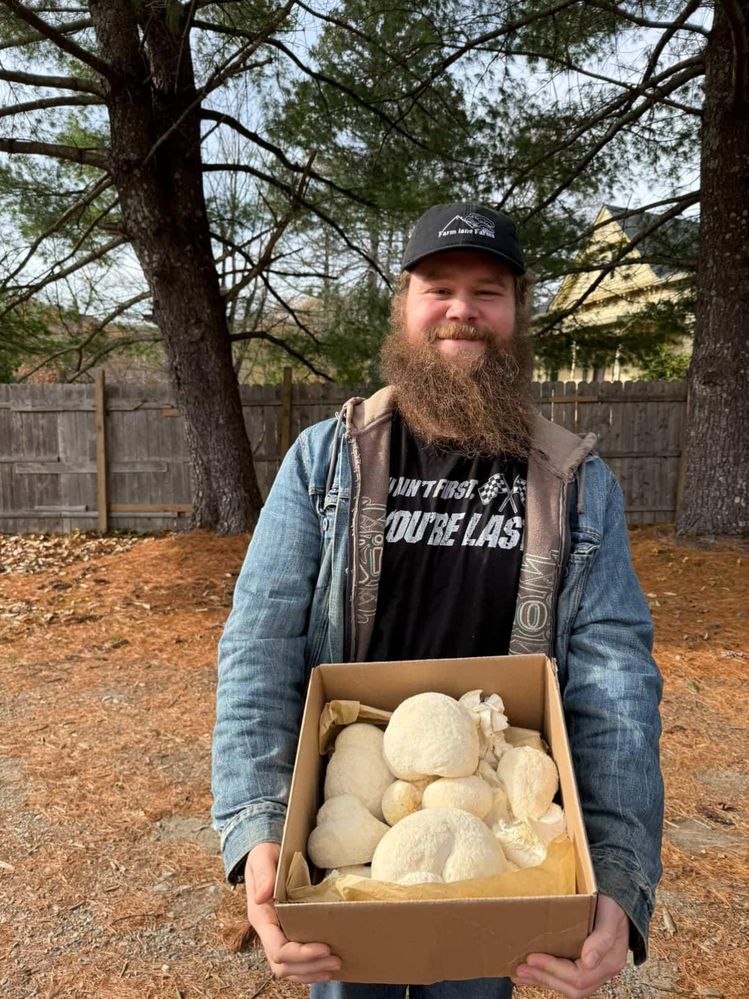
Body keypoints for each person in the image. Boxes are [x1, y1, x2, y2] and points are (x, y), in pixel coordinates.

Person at [211, 201, 664, 999]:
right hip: (350, 827)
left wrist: (619, 880)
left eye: (487, 290)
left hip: (492, 830)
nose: (463, 309)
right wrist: (258, 832)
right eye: (439, 287)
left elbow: (614, 682)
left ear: (517, 313)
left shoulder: (575, 484)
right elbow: (261, 646)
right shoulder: (327, 463)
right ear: (403, 304)